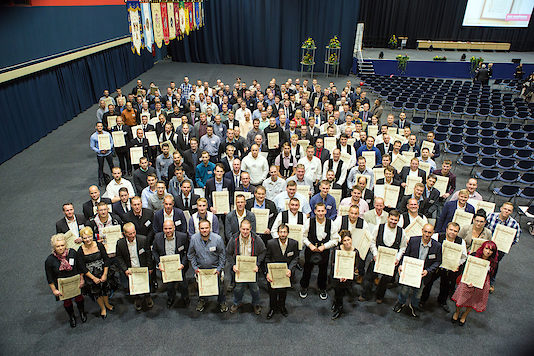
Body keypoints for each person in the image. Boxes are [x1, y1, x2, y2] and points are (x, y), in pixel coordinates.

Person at [393, 224, 442, 318]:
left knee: (418, 293)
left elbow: (438, 261)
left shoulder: (437, 246)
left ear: (433, 233)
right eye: (425, 231)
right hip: (409, 271)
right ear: (422, 230)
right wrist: (401, 265)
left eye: (429, 232)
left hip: (423, 275)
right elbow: (406, 254)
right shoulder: (413, 240)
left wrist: (428, 271)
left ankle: (414, 306)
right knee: (404, 289)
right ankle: (401, 302)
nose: (427, 234)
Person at [420, 222, 466, 312]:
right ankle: (423, 300)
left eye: (455, 231)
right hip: (435, 265)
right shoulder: (436, 237)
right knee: (428, 283)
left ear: (458, 232)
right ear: (446, 230)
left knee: (445, 285)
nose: (452, 232)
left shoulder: (461, 242)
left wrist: (457, 264)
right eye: (451, 230)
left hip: (449, 267)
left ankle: (442, 301)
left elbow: (463, 256)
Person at [362, 210, 406, 303]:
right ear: (388, 218)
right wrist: (375, 254)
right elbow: (372, 242)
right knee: (369, 277)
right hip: (377, 257)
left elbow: (403, 247)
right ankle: (365, 294)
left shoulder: (402, 232)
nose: (393, 222)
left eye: (395, 220)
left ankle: (379, 296)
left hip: (391, 261)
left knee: (385, 280)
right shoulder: (379, 227)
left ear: (398, 220)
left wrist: (398, 258)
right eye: (391, 219)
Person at [451, 241, 499, 326]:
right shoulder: (473, 255)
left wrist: (489, 285)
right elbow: (465, 267)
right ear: (483, 248)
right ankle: (457, 312)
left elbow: (493, 274)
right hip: (468, 280)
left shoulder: (494, 262)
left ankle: (464, 315)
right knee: (461, 297)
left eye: (491, 250)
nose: (488, 252)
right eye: (486, 248)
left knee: (473, 300)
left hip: (482, 283)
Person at [299, 203, 340, 300]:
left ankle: (322, 288)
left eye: (322, 211)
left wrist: (325, 246)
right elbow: (303, 236)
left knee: (323, 270)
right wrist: (310, 245)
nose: (320, 213)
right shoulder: (309, 222)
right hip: (310, 249)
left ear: (325, 211)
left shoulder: (331, 223)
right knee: (307, 269)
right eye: (318, 211)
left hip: (324, 251)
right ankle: (304, 287)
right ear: (315, 211)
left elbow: (335, 239)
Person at [45, 234, 86, 327]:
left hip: (76, 281)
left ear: (66, 245)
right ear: (54, 247)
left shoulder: (72, 253)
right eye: (57, 246)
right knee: (67, 302)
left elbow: (80, 267)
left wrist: (82, 279)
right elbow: (49, 277)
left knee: (79, 298)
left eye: (62, 245)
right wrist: (54, 290)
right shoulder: (50, 260)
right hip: (62, 285)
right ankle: (71, 316)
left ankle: (82, 312)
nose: (60, 248)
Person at [226, 220, 266, 315]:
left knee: (255, 288)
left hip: (252, 269)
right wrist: (233, 265)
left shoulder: (256, 239)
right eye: (243, 229)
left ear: (250, 229)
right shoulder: (234, 239)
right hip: (239, 269)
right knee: (238, 288)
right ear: (240, 228)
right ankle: (237, 303)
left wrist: (257, 263)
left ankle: (256, 303)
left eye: (247, 229)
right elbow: (228, 253)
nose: (245, 231)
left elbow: (263, 251)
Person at [187, 219, 228, 312]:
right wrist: (195, 267)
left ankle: (222, 302)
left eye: (206, 228)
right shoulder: (194, 239)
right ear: (199, 229)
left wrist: (219, 268)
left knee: (220, 287)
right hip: (200, 269)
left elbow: (222, 255)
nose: (204, 230)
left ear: (210, 228)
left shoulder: (217, 239)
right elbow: (190, 254)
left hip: (215, 269)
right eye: (202, 228)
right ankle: (202, 300)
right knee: (200, 287)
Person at [115, 223, 155, 311]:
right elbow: (119, 257)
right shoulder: (120, 243)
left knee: (146, 283)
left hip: (143, 266)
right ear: (124, 233)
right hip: (130, 268)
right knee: (134, 285)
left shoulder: (143, 239)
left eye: (134, 232)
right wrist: (125, 269)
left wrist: (150, 267)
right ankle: (137, 298)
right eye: (130, 234)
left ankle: (147, 296)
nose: (133, 235)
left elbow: (148, 254)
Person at [76, 227, 113, 319]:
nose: (88, 240)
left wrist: (104, 274)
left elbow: (106, 260)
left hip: (102, 271)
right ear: (82, 239)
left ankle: (107, 303)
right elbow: (82, 267)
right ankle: (102, 308)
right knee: (97, 293)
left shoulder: (99, 245)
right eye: (85, 238)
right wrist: (93, 278)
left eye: (89, 237)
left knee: (105, 289)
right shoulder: (80, 251)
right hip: (90, 275)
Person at [152, 220, 190, 308]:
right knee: (169, 286)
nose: (168, 231)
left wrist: (183, 263)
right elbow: (154, 251)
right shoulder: (158, 237)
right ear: (163, 229)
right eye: (165, 229)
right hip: (166, 267)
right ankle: (171, 298)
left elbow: (187, 252)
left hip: (179, 266)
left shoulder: (182, 237)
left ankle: (185, 298)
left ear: (174, 228)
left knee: (183, 285)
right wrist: (159, 263)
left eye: (170, 228)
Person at [485, 202, 521, 292]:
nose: (506, 211)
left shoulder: (514, 224)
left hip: (500, 249)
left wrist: (506, 245)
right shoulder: (491, 216)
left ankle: (491, 282)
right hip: (487, 244)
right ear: (501, 208)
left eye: (509, 210)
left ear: (511, 212)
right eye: (505, 209)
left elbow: (516, 239)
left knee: (494, 264)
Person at [265, 224, 299, 319]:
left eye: (284, 232)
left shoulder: (294, 243)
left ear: (288, 233)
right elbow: (267, 258)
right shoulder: (271, 243)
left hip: (286, 273)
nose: (283, 234)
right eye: (281, 232)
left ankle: (282, 307)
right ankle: (272, 308)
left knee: (283, 292)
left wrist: (290, 269)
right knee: (272, 292)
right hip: (273, 273)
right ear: (277, 233)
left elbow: (296, 257)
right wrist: (268, 272)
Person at [331, 230, 359, 320]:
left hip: (348, 276)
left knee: (341, 293)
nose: (347, 242)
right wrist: (340, 275)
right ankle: (336, 303)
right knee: (337, 291)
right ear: (341, 242)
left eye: (349, 239)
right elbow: (333, 264)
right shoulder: (337, 250)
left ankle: (340, 308)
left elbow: (355, 266)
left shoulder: (355, 251)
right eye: (345, 240)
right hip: (337, 275)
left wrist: (346, 275)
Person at [90, 122, 114, 186]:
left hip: (108, 153)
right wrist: (99, 151)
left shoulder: (107, 134)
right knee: (100, 167)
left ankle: (114, 178)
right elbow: (92, 146)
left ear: (102, 127)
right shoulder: (93, 136)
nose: (99, 127)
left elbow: (111, 142)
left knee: (111, 166)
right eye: (98, 126)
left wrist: (108, 148)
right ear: (96, 127)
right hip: (100, 154)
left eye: (101, 126)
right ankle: (100, 180)